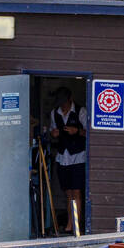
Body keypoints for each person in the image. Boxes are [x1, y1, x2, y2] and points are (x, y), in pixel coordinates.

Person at [50, 86, 87, 235]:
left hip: (78, 156)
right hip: (62, 157)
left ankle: (74, 225)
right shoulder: (55, 113)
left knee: (76, 192)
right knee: (68, 193)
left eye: (64, 102)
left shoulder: (80, 111)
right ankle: (70, 224)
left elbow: (90, 132)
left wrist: (76, 131)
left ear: (70, 99)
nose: (62, 105)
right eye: (60, 103)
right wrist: (54, 134)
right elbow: (52, 132)